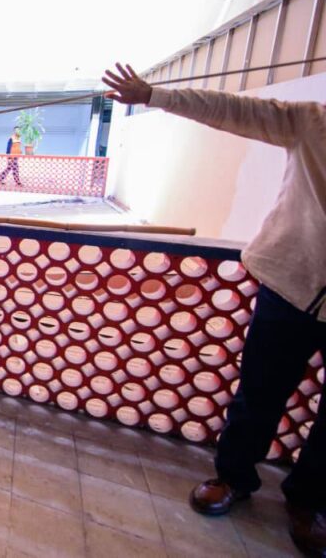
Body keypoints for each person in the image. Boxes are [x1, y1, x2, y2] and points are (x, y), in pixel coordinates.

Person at [103, 62, 326, 556]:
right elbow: (230, 109)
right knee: (259, 392)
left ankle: (310, 501)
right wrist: (153, 95)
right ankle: (234, 478)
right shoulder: (313, 123)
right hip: (290, 286)